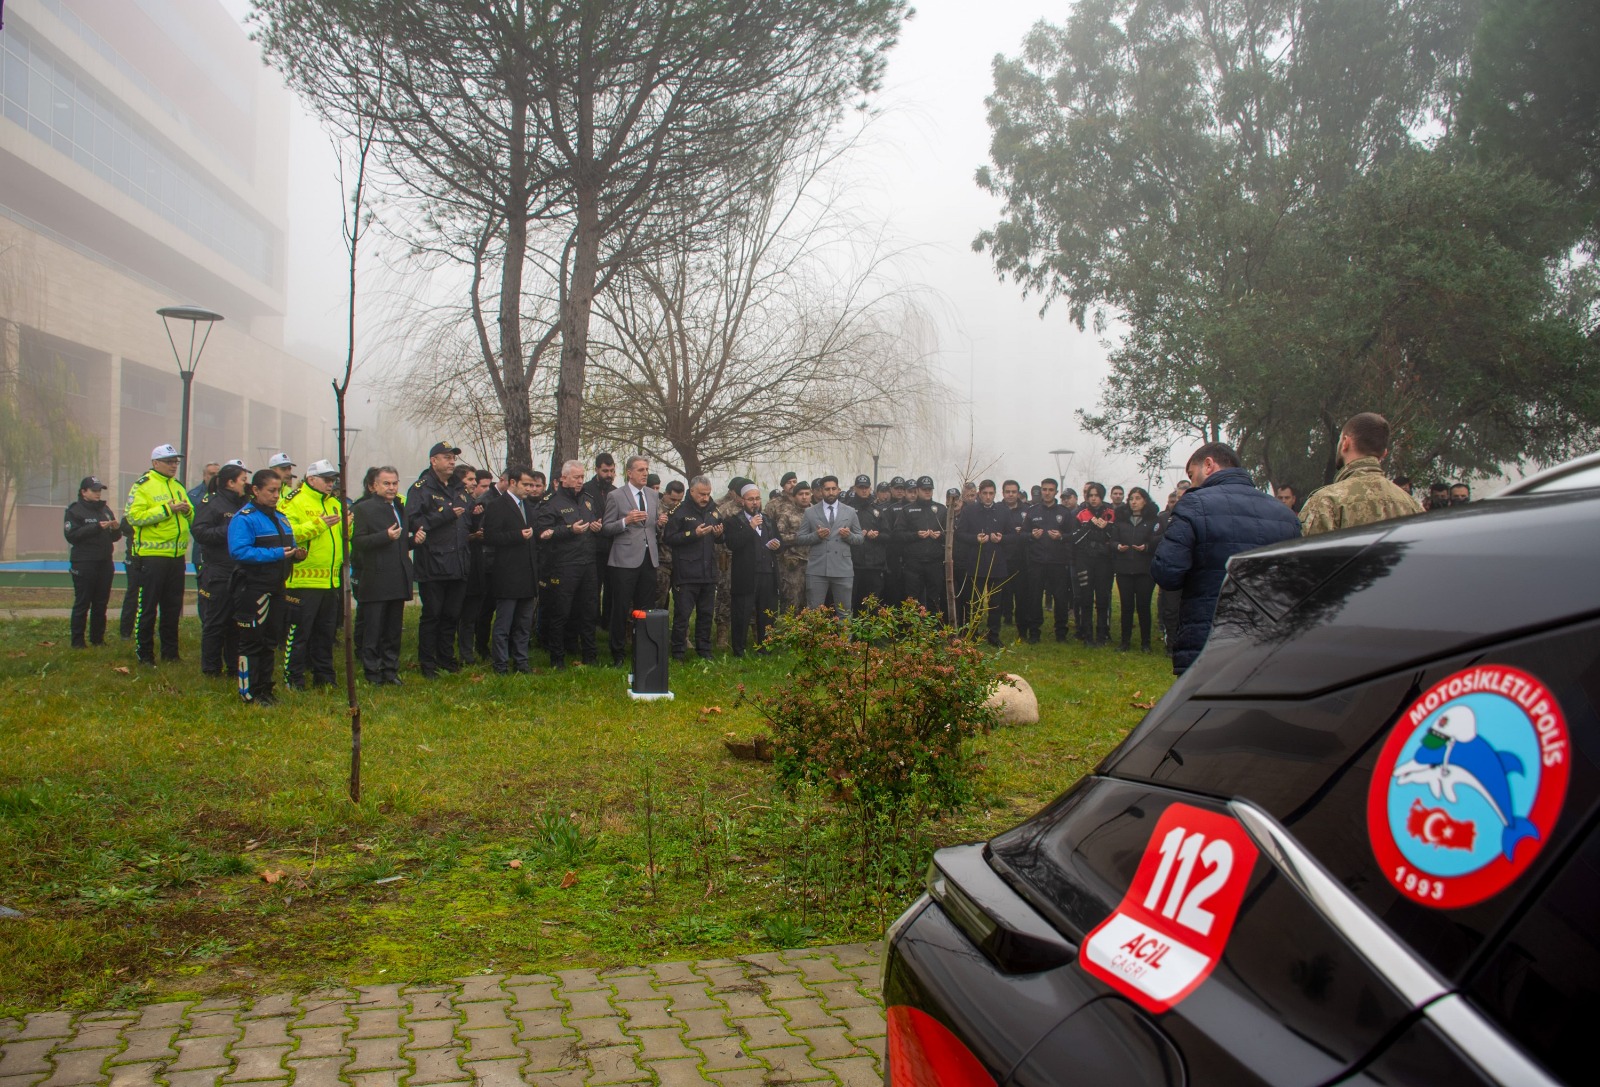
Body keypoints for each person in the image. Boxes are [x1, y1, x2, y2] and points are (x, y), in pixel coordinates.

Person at [1152, 442, 1301, 674]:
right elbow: (1295, 582)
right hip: (1267, 640)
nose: (1192, 483)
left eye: (1192, 475)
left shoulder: (1193, 504)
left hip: (1208, 636)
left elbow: (1167, 572)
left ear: (1209, 465)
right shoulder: (1285, 515)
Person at [228, 470, 304, 705]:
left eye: (278, 491)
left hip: (277, 586)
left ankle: (265, 689)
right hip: (253, 587)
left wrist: (297, 554)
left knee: (270, 641)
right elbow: (239, 551)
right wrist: (276, 554)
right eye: (271, 491)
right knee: (252, 641)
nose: (275, 496)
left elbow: (289, 545)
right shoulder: (245, 518)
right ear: (256, 490)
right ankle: (248, 691)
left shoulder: (280, 517)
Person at [1297, 413, 1424, 536]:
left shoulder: (1326, 502)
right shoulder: (1414, 506)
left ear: (1346, 442)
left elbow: (1305, 554)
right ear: (1384, 454)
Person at [280, 459, 347, 689]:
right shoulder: (294, 501)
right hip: (303, 580)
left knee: (325, 634)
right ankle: (293, 678)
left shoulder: (334, 503)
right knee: (299, 634)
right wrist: (318, 524)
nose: (331, 484)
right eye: (326, 479)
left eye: (333, 480)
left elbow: (339, 539)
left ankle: (324, 677)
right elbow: (287, 533)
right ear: (311, 479)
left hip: (330, 580)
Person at [407, 442, 472, 678]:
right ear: (433, 460)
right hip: (433, 563)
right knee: (433, 615)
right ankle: (428, 662)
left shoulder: (459, 488)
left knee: (451, 615)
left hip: (459, 562)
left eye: (454, 458)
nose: (452, 462)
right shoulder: (421, 488)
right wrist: (444, 515)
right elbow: (414, 521)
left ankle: (446, 658)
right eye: (447, 457)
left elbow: (469, 516)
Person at [125, 444, 194, 666]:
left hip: (176, 556)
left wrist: (187, 510)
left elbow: (192, 516)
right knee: (148, 607)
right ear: (155, 463)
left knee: (172, 607)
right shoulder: (143, 485)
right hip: (152, 557)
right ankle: (145, 654)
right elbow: (133, 517)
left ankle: (170, 653)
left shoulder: (178, 486)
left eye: (176, 462)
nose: (174, 465)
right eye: (169, 461)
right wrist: (166, 510)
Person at [534, 459, 603, 669]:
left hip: (588, 562)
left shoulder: (587, 500)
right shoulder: (551, 503)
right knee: (561, 612)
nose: (580, 481)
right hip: (564, 564)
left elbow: (591, 522)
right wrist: (569, 530)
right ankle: (557, 658)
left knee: (589, 610)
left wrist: (596, 526)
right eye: (576, 477)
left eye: (582, 477)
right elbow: (543, 534)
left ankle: (590, 655)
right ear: (563, 479)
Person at [350, 466, 411, 685]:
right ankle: (372, 672)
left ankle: (390, 670)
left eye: (395, 483)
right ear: (374, 486)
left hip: (398, 577)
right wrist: (384, 536)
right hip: (375, 578)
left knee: (393, 631)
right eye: (386, 483)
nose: (392, 487)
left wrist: (414, 540)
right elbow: (358, 542)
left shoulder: (399, 507)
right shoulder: (363, 509)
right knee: (373, 629)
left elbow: (400, 541)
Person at [601, 455, 662, 666]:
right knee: (620, 607)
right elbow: (606, 527)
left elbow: (652, 526)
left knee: (645, 609)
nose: (645, 473)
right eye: (640, 470)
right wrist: (626, 521)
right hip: (624, 560)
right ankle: (617, 652)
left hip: (649, 558)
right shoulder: (616, 496)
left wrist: (661, 522)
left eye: (646, 469)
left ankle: (643, 650)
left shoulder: (653, 496)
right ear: (629, 472)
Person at [190, 464, 250, 676]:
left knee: (236, 623)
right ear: (230, 482)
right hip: (218, 571)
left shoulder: (244, 503)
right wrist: (231, 530)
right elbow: (199, 532)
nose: (246, 483)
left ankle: (234, 666)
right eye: (243, 479)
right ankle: (211, 668)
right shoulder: (212, 502)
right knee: (215, 622)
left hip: (239, 571)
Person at [483, 467, 541, 674]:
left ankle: (521, 661)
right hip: (507, 574)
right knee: (504, 624)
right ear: (512, 483)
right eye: (526, 485)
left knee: (523, 624)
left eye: (532, 485)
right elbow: (490, 537)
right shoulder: (496, 506)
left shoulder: (528, 506)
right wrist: (517, 535)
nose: (529, 489)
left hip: (528, 575)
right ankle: (500, 664)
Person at [663, 475, 723, 659]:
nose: (705, 498)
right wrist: (693, 534)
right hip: (687, 572)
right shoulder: (680, 511)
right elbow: (669, 538)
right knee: (683, 615)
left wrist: (720, 535)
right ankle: (678, 651)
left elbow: (720, 538)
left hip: (708, 572)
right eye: (701, 494)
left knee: (705, 614)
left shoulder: (714, 511)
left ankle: (704, 650)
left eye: (708, 494)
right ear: (692, 492)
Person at [723, 483, 782, 655]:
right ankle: (739, 649)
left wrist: (777, 545)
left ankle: (766, 647)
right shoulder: (734, 521)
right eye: (750, 499)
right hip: (745, 575)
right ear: (742, 501)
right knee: (742, 613)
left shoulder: (768, 521)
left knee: (767, 613)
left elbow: (779, 543)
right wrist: (751, 527)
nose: (755, 503)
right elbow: (732, 543)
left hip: (767, 573)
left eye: (757, 499)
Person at [63, 476, 120, 649]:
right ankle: (78, 641)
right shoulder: (75, 510)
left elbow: (114, 537)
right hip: (84, 562)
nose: (97, 494)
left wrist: (116, 529)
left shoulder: (105, 509)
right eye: (94, 490)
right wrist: (96, 527)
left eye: (99, 490)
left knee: (101, 602)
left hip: (104, 562)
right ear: (83, 492)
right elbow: (71, 535)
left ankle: (98, 639)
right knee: (83, 602)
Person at [796, 475, 862, 616]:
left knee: (844, 612)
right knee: (814, 612)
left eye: (833, 489)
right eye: (827, 489)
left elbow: (860, 538)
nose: (830, 492)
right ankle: (816, 639)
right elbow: (800, 538)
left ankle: (844, 639)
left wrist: (848, 536)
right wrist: (816, 536)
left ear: (838, 490)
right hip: (818, 568)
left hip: (842, 568)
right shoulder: (810, 512)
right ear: (820, 491)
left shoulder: (850, 511)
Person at [954, 479, 1009, 645]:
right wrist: (975, 539)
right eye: (985, 493)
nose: (988, 497)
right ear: (979, 493)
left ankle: (994, 635)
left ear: (995, 494)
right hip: (975, 562)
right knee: (973, 602)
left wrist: (1002, 539)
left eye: (991, 493)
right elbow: (960, 534)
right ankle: (973, 632)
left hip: (996, 563)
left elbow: (1014, 536)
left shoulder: (1002, 510)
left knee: (995, 603)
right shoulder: (969, 511)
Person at [1021, 478, 1073, 643]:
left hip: (1058, 563)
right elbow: (1022, 534)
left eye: (1051, 489)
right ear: (1041, 491)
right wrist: (1031, 536)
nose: (1047, 492)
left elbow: (1073, 536)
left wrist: (1061, 537)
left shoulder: (1064, 512)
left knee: (1060, 598)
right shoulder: (1033, 511)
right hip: (1036, 562)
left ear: (1056, 492)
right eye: (1044, 489)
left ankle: (1061, 633)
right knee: (1034, 598)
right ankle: (1034, 633)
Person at [1112, 487, 1160, 652]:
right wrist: (1118, 546)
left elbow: (1158, 541)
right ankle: (1125, 642)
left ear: (1145, 501)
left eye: (1138, 498)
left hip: (1144, 570)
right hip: (1124, 569)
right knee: (1126, 607)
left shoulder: (1153, 521)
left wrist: (1146, 547)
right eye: (1131, 498)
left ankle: (1145, 643)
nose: (1134, 501)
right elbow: (1112, 540)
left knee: (1143, 606)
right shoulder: (1121, 520)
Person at [456, 467, 494, 666]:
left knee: (472, 614)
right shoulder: (457, 503)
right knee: (456, 613)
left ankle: (467, 653)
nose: (472, 483)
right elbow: (459, 536)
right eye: (470, 480)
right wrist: (474, 536)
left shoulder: (475, 504)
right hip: (459, 564)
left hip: (477, 563)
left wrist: (478, 520)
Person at [1071, 483, 1116, 646]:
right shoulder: (1081, 514)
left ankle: (1102, 634)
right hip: (1085, 561)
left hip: (1104, 561)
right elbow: (1074, 539)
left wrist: (1107, 529)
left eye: (1096, 495)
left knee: (1103, 598)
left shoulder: (1111, 513)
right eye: (1090, 495)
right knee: (1086, 598)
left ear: (1102, 496)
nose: (1093, 498)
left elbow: (1115, 538)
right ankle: (1087, 635)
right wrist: (1089, 525)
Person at [896, 476, 947, 614]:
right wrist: (915, 535)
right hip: (913, 563)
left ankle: (934, 630)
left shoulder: (941, 509)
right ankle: (913, 631)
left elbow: (950, 535)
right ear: (917, 490)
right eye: (924, 489)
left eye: (930, 489)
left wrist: (940, 536)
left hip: (935, 562)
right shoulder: (907, 510)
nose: (927, 492)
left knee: (934, 598)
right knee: (912, 599)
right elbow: (898, 534)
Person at [581, 453, 618, 629]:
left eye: (611, 471)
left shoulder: (616, 491)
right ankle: (591, 621)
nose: (609, 475)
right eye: (605, 471)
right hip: (592, 547)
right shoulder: (586, 490)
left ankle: (607, 622)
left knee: (611, 588)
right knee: (593, 588)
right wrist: (590, 523)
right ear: (597, 470)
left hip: (612, 547)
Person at [842, 475, 887, 614]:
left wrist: (877, 535)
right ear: (855, 488)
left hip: (874, 565)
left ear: (870, 488)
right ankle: (851, 635)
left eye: (866, 487)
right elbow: (839, 533)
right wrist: (852, 535)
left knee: (872, 604)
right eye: (860, 487)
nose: (863, 490)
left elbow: (888, 535)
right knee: (852, 602)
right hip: (853, 564)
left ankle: (870, 634)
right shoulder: (846, 509)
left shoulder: (877, 510)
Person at [772, 480, 811, 611]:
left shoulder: (817, 513)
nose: (804, 497)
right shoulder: (786, 514)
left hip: (814, 564)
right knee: (791, 605)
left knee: (810, 606)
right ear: (794, 496)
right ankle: (787, 631)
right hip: (793, 566)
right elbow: (779, 537)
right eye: (801, 494)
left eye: (807, 493)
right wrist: (799, 537)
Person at [1155, 490, 1182, 653]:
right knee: (1170, 608)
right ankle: (1170, 643)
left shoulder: (1195, 516)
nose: (1175, 503)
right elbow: (1153, 539)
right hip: (1170, 568)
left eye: (1178, 500)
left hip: (1190, 569)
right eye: (1172, 501)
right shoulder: (1163, 518)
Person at [655, 480, 684, 609]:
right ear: (665, 494)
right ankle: (655, 628)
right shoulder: (655, 509)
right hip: (660, 563)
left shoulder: (683, 510)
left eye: (679, 500)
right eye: (673, 499)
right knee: (659, 601)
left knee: (682, 602)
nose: (676, 503)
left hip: (679, 562)